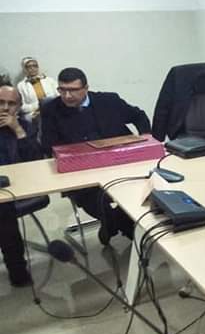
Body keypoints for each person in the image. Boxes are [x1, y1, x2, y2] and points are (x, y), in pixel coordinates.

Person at [41, 67, 151, 243]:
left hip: (120, 163)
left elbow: (139, 116)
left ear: (86, 88)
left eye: (73, 90)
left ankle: (114, 225)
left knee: (139, 193)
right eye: (62, 90)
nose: (67, 96)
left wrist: (145, 142)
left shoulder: (109, 101)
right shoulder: (51, 110)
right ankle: (120, 225)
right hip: (82, 171)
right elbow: (48, 145)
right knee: (96, 202)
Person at [0, 85, 42, 286]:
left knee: (4, 211)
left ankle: (17, 269)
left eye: (11, 104)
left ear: (19, 106)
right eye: (0, 103)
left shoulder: (25, 126)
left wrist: (17, 130)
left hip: (17, 188)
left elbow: (35, 162)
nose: (5, 108)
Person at [16, 57, 57, 122]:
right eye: (29, 66)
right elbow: (22, 107)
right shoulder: (21, 85)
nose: (32, 68)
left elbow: (59, 96)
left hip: (53, 108)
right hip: (34, 113)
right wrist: (38, 106)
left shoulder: (49, 80)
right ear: (24, 69)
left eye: (35, 66)